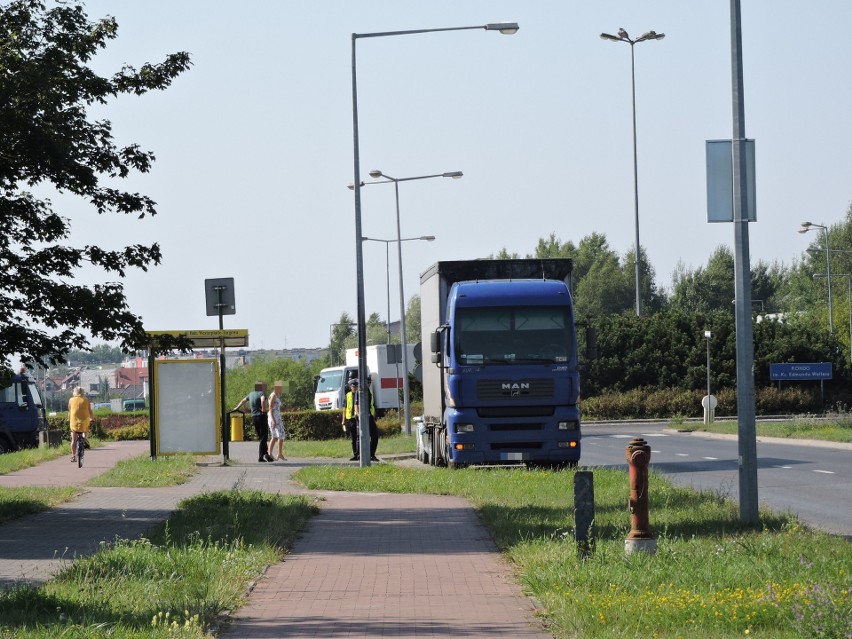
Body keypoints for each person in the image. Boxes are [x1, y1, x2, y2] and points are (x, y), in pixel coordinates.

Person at [234, 381, 273, 462]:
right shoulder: (261, 393)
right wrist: (263, 410)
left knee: (261, 437)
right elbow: (262, 400)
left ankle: (266, 454)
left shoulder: (251, 394)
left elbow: (243, 401)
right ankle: (261, 457)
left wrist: (236, 408)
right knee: (264, 437)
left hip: (254, 417)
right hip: (261, 416)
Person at [355, 375, 380, 462]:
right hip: (363, 418)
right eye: (368, 382)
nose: (369, 384)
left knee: (375, 435)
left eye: (370, 382)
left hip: (369, 416)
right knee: (363, 436)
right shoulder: (360, 392)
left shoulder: (368, 391)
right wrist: (359, 416)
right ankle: (363, 455)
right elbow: (356, 405)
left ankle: (371, 454)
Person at [67, 386, 93, 463]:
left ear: (74, 392)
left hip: (74, 421)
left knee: (74, 439)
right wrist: (92, 418)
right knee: (85, 430)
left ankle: (73, 456)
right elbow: (90, 411)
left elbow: (70, 411)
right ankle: (85, 439)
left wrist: (68, 418)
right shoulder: (86, 400)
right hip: (84, 421)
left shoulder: (71, 400)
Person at [267, 381, 286, 461]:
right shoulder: (273, 395)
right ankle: (278, 453)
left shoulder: (276, 395)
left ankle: (271, 453)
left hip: (276, 417)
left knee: (275, 436)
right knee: (280, 435)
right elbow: (270, 408)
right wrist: (273, 420)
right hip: (274, 418)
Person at [341, 378, 359, 461]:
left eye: (356, 386)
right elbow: (344, 409)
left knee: (360, 437)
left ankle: (360, 454)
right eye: (353, 386)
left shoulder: (360, 394)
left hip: (358, 419)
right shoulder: (348, 395)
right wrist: (343, 420)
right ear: (350, 387)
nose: (355, 388)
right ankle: (355, 454)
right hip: (351, 420)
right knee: (353, 438)